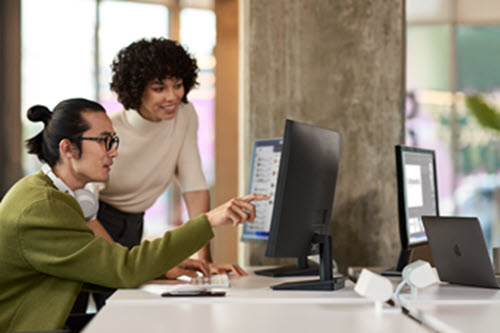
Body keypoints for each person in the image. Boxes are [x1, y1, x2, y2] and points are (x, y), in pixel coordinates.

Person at [0, 98, 265, 332]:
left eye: (113, 141)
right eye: (105, 141)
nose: (113, 151)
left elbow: (104, 270)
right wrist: (209, 220)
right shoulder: (41, 209)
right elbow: (124, 269)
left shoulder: (53, 196)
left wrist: (163, 270)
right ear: (68, 149)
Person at [91, 37, 244, 275]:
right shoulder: (109, 129)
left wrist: (205, 260)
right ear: (137, 89)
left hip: (133, 223)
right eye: (159, 88)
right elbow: (84, 206)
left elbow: (194, 187)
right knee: (83, 305)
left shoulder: (185, 115)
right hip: (92, 220)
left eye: (178, 85)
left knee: (126, 305)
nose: (172, 96)